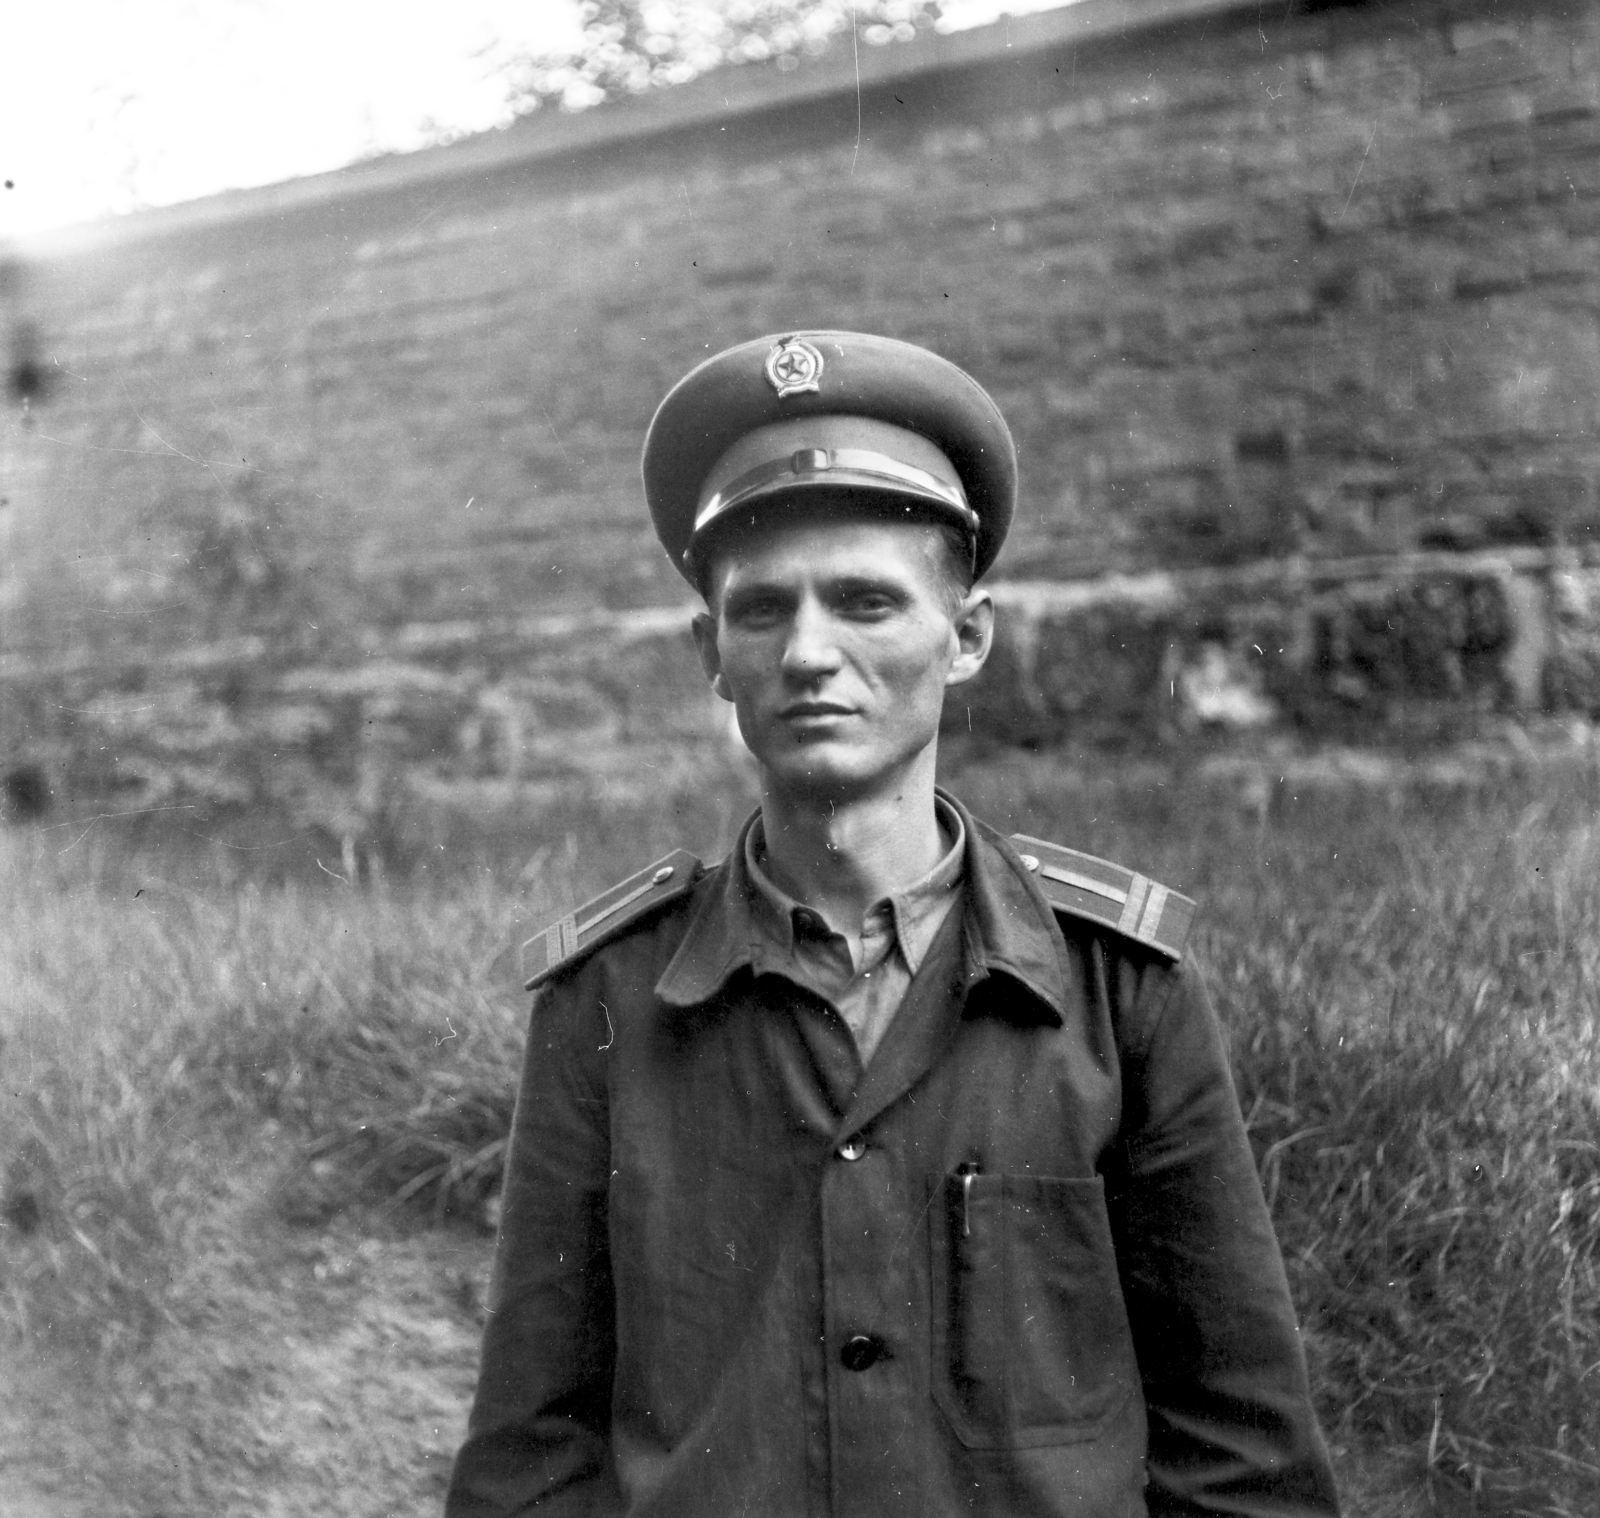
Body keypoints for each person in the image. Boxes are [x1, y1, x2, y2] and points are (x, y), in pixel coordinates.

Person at [446, 332, 1341, 1517]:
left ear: (964, 637)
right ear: (711, 653)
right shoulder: (606, 1001)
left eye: (866, 601)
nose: (810, 653)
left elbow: (1241, 1452)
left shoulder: (1117, 987)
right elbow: (529, 1457)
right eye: (763, 611)